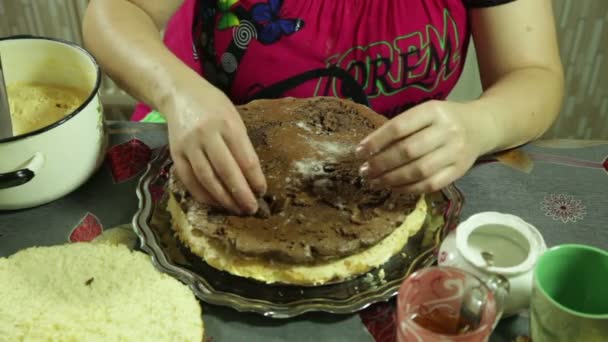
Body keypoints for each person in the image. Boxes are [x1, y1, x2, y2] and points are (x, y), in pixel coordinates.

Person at [83, 0, 564, 215]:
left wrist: (482, 123)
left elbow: (534, 75)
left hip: (390, 183)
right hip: (222, 160)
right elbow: (116, 11)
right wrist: (179, 93)